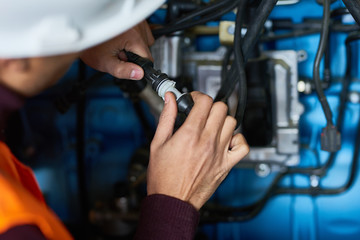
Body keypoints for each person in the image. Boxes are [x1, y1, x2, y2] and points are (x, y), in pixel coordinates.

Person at [0, 0, 250, 239]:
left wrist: (83, 39)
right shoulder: (14, 230)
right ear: (12, 59)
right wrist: (174, 203)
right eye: (77, 29)